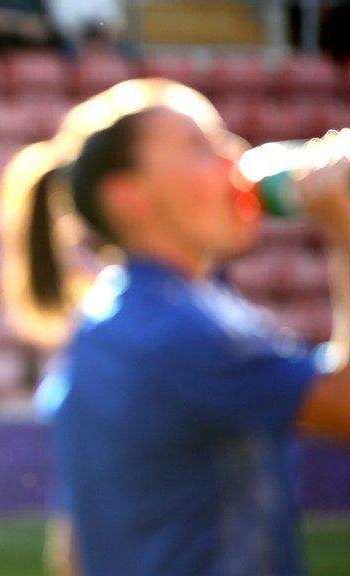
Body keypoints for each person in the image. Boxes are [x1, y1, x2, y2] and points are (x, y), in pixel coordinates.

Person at [30, 105, 350, 575]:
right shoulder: (182, 331)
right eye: (202, 147)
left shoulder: (111, 322)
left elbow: (73, 547)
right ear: (130, 197)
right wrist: (344, 229)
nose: (235, 158)